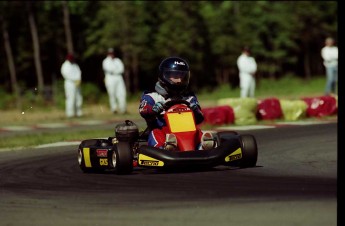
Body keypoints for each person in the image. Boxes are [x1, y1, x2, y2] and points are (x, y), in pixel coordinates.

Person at [139, 56, 215, 151]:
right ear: (164, 75)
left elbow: (199, 119)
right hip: (163, 130)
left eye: (182, 77)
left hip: (188, 130)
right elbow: (143, 110)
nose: (179, 80)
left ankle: (203, 147)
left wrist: (195, 110)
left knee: (198, 132)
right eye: (175, 76)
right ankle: (165, 148)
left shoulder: (189, 97)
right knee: (156, 133)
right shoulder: (152, 96)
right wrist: (153, 110)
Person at [102, 48, 127, 114]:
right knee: (112, 94)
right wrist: (116, 70)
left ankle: (123, 109)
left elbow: (122, 69)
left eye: (112, 53)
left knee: (121, 93)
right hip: (110, 78)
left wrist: (115, 70)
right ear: (108, 53)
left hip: (119, 77)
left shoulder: (117, 60)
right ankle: (114, 109)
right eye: (110, 53)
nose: (111, 54)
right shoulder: (106, 61)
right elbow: (109, 69)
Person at [60, 53, 83, 118]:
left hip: (77, 83)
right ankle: (70, 113)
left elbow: (79, 72)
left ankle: (78, 112)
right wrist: (75, 79)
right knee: (70, 98)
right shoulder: (65, 65)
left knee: (78, 97)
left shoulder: (75, 65)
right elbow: (66, 74)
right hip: (70, 83)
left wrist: (79, 79)